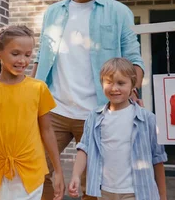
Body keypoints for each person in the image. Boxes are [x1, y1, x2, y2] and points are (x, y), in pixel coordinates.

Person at [32, 0, 145, 200]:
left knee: (93, 185)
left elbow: (134, 59)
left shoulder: (119, 12)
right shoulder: (53, 13)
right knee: (38, 174)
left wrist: (132, 90)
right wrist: (29, 93)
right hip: (53, 109)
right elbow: (42, 56)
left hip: (98, 112)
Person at [0, 25, 65, 200]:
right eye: (16, 54)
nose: (23, 60)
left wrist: (57, 171)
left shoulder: (38, 88)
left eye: (28, 55)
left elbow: (47, 130)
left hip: (32, 173)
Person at [68, 58, 167, 200]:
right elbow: (84, 148)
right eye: (109, 82)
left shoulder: (147, 119)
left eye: (121, 83)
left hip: (137, 192)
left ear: (133, 85)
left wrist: (162, 196)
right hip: (104, 191)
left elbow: (158, 159)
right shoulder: (94, 117)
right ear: (102, 84)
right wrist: (76, 176)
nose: (114, 88)